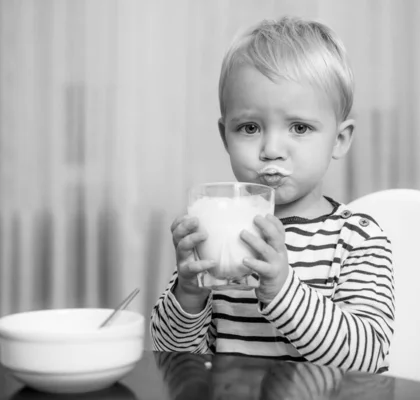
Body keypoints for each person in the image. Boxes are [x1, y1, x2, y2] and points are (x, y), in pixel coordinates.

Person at [150, 16, 395, 373]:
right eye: (249, 127)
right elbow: (172, 356)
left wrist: (282, 290)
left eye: (299, 127)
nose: (271, 149)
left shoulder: (356, 238)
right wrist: (188, 293)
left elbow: (367, 356)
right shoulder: (217, 233)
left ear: (339, 139)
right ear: (225, 137)